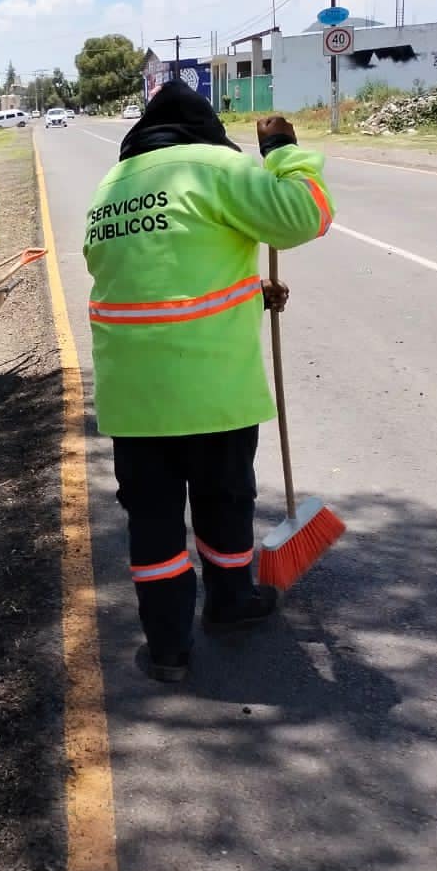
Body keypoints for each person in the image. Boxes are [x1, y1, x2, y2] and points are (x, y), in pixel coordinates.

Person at [82, 81, 334, 683]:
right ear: (205, 129)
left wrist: (249, 291)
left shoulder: (108, 189)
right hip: (211, 389)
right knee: (224, 501)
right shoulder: (216, 166)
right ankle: (229, 602)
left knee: (153, 521)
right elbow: (305, 215)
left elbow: (155, 280)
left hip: (133, 395)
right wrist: (281, 155)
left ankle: (168, 648)